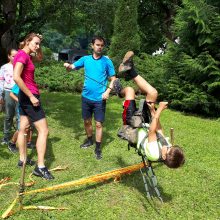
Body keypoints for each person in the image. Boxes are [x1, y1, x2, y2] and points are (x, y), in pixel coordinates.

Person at [116, 51, 185, 168]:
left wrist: (159, 110)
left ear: (164, 157)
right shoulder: (167, 147)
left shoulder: (154, 154)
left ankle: (118, 91)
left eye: (168, 150)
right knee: (153, 93)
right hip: (145, 122)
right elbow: (159, 130)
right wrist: (153, 112)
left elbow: (152, 133)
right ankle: (129, 69)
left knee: (129, 90)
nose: (168, 146)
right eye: (170, 147)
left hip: (133, 124)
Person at [64, 36, 116, 160]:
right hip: (86, 97)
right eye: (97, 45)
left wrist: (108, 91)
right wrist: (67, 65)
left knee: (98, 124)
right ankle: (89, 140)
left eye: (102, 45)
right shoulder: (85, 59)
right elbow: (71, 68)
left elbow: (113, 79)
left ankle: (98, 148)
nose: (100, 47)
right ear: (92, 46)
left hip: (100, 98)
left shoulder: (106, 61)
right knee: (87, 121)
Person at [13, 32, 54, 180]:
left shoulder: (26, 55)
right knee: (44, 131)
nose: (37, 46)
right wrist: (31, 96)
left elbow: (40, 58)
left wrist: (38, 45)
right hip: (29, 96)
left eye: (39, 44)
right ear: (27, 41)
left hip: (25, 96)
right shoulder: (23, 56)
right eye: (35, 43)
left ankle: (22, 159)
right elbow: (16, 77)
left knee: (23, 127)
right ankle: (40, 167)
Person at [8, 84, 35, 154]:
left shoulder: (30, 81)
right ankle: (12, 143)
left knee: (30, 126)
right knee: (21, 128)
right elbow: (11, 94)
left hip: (30, 107)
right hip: (22, 109)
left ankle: (28, 142)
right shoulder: (20, 81)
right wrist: (19, 101)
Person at [0, 49, 18, 146]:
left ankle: (22, 137)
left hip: (19, 91)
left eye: (17, 56)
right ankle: (6, 137)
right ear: (9, 56)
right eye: (13, 56)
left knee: (20, 115)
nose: (15, 58)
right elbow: (1, 82)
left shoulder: (21, 65)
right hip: (8, 91)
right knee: (8, 116)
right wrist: (0, 95)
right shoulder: (4, 67)